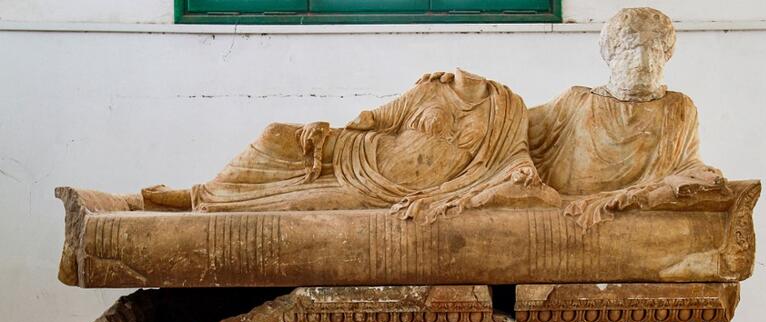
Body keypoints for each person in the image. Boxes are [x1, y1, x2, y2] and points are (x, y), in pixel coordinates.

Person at [142, 69, 554, 221]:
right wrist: (329, 128)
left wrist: (513, 177)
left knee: (295, 205)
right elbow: (378, 118)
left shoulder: (505, 108)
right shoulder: (431, 88)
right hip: (364, 155)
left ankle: (210, 205)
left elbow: (517, 162)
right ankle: (200, 192)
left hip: (393, 193)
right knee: (274, 134)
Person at [528, 7, 726, 229]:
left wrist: (700, 174)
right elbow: (514, 128)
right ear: (612, 54)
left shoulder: (678, 108)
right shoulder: (576, 102)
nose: (643, 61)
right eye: (632, 49)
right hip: (568, 218)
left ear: (665, 56)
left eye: (654, 49)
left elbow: (686, 164)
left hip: (645, 221)